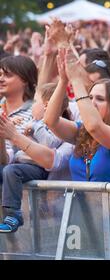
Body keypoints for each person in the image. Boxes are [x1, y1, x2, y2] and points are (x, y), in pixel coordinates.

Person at [44, 49, 110, 182]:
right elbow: (51, 121)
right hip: (79, 203)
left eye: (100, 99)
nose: (92, 103)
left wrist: (77, 81)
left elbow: (95, 127)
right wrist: (63, 81)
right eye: (90, 97)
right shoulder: (82, 130)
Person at [0, 83, 73, 233]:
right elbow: (15, 148)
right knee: (6, 169)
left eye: (35, 101)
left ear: (46, 106)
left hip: (36, 167)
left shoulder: (58, 125)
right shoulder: (34, 122)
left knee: (11, 171)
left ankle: (13, 215)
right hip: (21, 163)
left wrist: (36, 125)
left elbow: (50, 143)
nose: (32, 105)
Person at [0, 56, 37, 164]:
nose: (1, 79)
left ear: (25, 80)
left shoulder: (35, 112)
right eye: (0, 75)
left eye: (7, 75)